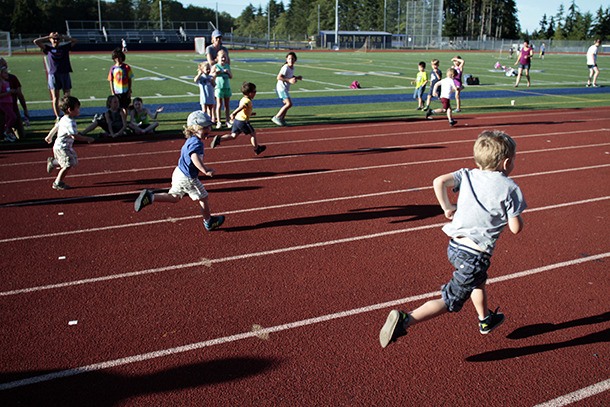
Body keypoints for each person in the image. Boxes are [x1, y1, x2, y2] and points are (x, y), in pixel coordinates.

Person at [379, 130, 526, 348]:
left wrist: (447, 207)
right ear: (506, 163)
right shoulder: (510, 188)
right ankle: (405, 320)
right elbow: (516, 228)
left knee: (478, 281)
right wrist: (514, 217)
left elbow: (439, 181)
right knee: (450, 300)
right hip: (475, 254)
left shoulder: (467, 174)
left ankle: (485, 320)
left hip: (455, 246)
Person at [134, 111, 225, 232]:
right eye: (206, 127)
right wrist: (205, 170)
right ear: (195, 128)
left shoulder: (191, 140)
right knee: (203, 197)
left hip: (179, 173)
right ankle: (209, 221)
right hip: (188, 178)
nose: (210, 129)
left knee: (175, 197)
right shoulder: (197, 144)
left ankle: (150, 197)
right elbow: (194, 158)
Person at [44, 95, 94, 190]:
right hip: (63, 147)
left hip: (62, 146)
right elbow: (74, 136)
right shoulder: (70, 122)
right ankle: (57, 182)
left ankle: (53, 162)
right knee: (68, 164)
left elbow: (57, 126)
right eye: (77, 108)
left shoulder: (63, 118)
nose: (79, 110)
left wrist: (49, 136)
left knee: (73, 162)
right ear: (70, 110)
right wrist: (87, 138)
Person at [210, 81, 266, 156]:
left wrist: (250, 113)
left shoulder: (243, 99)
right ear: (250, 93)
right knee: (253, 134)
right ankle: (256, 148)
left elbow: (244, 110)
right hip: (243, 121)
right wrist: (233, 113)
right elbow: (242, 107)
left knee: (233, 136)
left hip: (237, 120)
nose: (255, 93)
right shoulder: (247, 101)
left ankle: (219, 139)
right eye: (254, 91)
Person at [33, 32, 78, 121]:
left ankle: (68, 114)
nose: (55, 40)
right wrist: (49, 36)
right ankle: (57, 116)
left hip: (65, 73)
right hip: (54, 74)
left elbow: (75, 41)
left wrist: (62, 37)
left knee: (67, 96)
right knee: (56, 97)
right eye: (54, 39)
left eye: (57, 39)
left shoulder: (64, 47)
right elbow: (36, 41)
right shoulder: (48, 48)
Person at [0, 58, 29, 141]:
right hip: (2, 109)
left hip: (12, 107)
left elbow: (20, 95)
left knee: (21, 135)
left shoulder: (12, 78)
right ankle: (7, 132)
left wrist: (25, 109)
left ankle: (9, 131)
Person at [272, 51, 303, 127]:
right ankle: (277, 117)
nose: (291, 60)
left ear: (295, 60)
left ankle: (282, 119)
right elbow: (279, 77)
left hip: (285, 88)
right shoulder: (285, 67)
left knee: (287, 104)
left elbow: (289, 76)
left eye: (292, 59)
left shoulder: (292, 68)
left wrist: (296, 77)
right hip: (281, 88)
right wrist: (289, 80)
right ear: (286, 59)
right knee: (289, 104)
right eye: (289, 59)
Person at [108, 48, 134, 114]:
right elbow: (111, 80)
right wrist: (112, 91)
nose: (118, 59)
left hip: (125, 91)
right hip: (117, 92)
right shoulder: (113, 68)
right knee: (117, 107)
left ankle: (124, 121)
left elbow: (129, 79)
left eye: (119, 57)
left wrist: (129, 90)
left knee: (125, 107)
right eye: (116, 58)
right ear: (114, 59)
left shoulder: (126, 67)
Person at [212, 49, 232, 129]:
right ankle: (219, 121)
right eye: (222, 57)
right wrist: (216, 73)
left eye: (225, 57)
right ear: (217, 58)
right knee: (219, 105)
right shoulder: (216, 66)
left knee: (227, 105)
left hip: (226, 87)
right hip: (219, 88)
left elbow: (231, 76)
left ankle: (227, 120)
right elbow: (211, 76)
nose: (223, 58)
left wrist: (227, 72)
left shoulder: (227, 66)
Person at [0, 66, 17, 142]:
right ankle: (6, 130)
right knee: (13, 117)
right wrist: (9, 93)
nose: (7, 74)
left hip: (9, 102)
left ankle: (7, 134)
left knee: (8, 118)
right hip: (3, 103)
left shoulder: (7, 82)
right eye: (5, 73)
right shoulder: (1, 83)